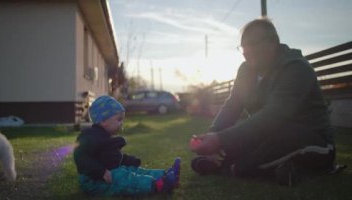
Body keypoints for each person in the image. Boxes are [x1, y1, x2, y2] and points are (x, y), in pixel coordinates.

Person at [190, 18, 336, 186]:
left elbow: (274, 115)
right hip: (270, 136)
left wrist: (220, 140)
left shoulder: (296, 68)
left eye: (252, 43)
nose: (245, 51)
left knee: (248, 160)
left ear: (272, 42)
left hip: (311, 140)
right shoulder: (245, 70)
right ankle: (282, 168)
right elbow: (233, 105)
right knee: (246, 144)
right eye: (242, 46)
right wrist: (213, 135)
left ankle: (232, 166)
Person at [73, 95, 180, 197]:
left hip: (109, 172)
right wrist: (100, 172)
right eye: (119, 119)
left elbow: (115, 159)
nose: (122, 123)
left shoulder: (105, 137)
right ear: (103, 120)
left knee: (132, 170)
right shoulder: (89, 136)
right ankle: (157, 185)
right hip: (94, 180)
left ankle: (164, 175)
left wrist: (130, 161)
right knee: (124, 177)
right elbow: (80, 156)